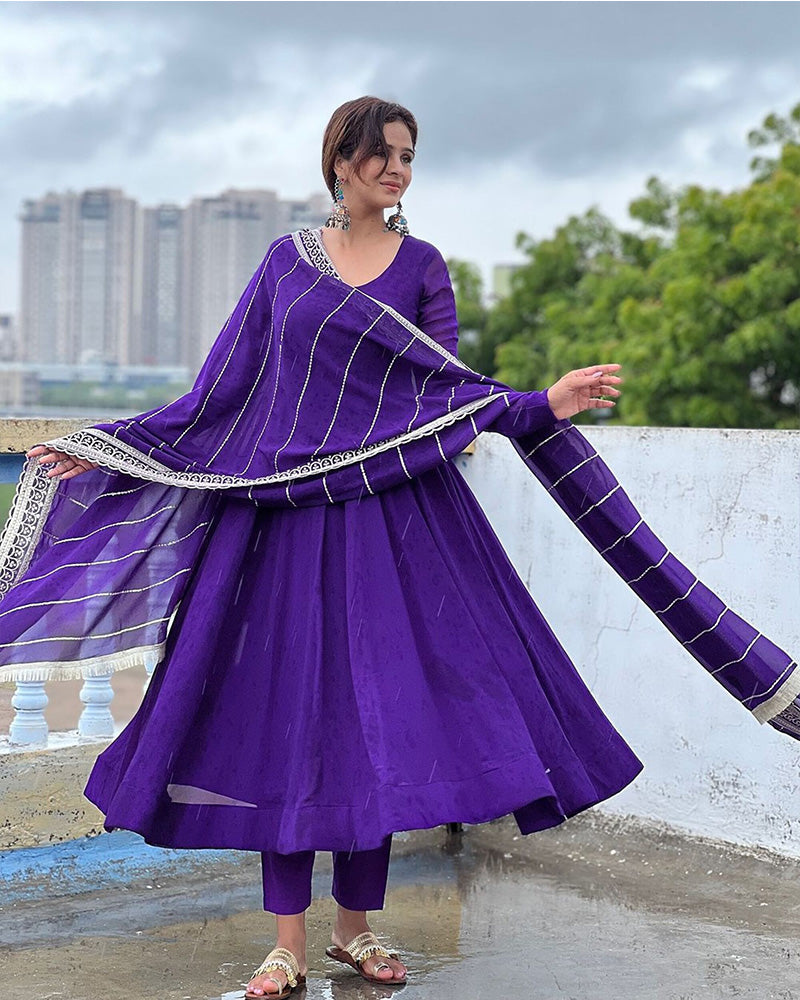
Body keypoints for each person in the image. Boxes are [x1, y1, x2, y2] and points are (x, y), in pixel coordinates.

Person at [12, 97, 798, 999]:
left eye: (408, 157)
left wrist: (542, 403)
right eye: (381, 154)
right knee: (285, 727)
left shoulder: (422, 266)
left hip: (394, 536)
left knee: (376, 730)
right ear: (340, 162)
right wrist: (100, 445)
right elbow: (220, 393)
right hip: (283, 532)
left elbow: (443, 394)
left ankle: (355, 930)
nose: (396, 169)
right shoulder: (286, 268)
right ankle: (286, 946)